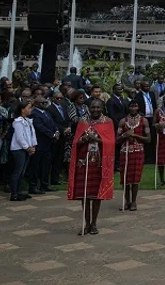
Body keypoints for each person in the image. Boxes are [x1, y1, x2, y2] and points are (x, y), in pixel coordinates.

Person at [68, 98, 115, 235]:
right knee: (84, 195)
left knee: (95, 195)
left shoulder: (108, 121)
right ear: (89, 108)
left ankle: (94, 223)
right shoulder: (83, 121)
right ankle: (86, 223)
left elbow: (110, 142)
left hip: (98, 163)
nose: (95, 110)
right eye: (93, 107)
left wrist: (96, 139)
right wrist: (84, 139)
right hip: (83, 162)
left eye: (98, 107)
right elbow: (76, 142)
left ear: (102, 108)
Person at [117, 99, 150, 211]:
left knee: (135, 179)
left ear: (138, 108)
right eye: (131, 106)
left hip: (138, 152)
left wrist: (135, 135)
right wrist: (124, 135)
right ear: (128, 107)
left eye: (135, 106)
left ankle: (134, 201)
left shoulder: (144, 121)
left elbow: (148, 139)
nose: (133, 108)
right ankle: (127, 201)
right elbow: (116, 140)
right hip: (125, 152)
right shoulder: (123, 121)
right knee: (125, 178)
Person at [28, 96, 59, 194]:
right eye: (43, 103)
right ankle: (33, 186)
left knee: (46, 165)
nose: (45, 104)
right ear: (36, 104)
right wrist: (52, 135)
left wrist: (57, 131)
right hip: (39, 143)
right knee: (35, 166)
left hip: (48, 144)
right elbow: (39, 127)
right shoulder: (34, 114)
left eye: (46, 102)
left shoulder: (46, 113)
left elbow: (53, 124)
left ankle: (44, 184)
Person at [9, 99, 36, 201]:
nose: (30, 110)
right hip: (19, 149)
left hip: (26, 149)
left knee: (22, 171)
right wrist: (27, 147)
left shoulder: (27, 120)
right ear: (22, 109)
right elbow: (20, 137)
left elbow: (31, 135)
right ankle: (14, 193)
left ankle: (19, 191)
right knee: (18, 171)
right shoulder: (18, 121)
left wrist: (33, 146)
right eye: (29, 108)